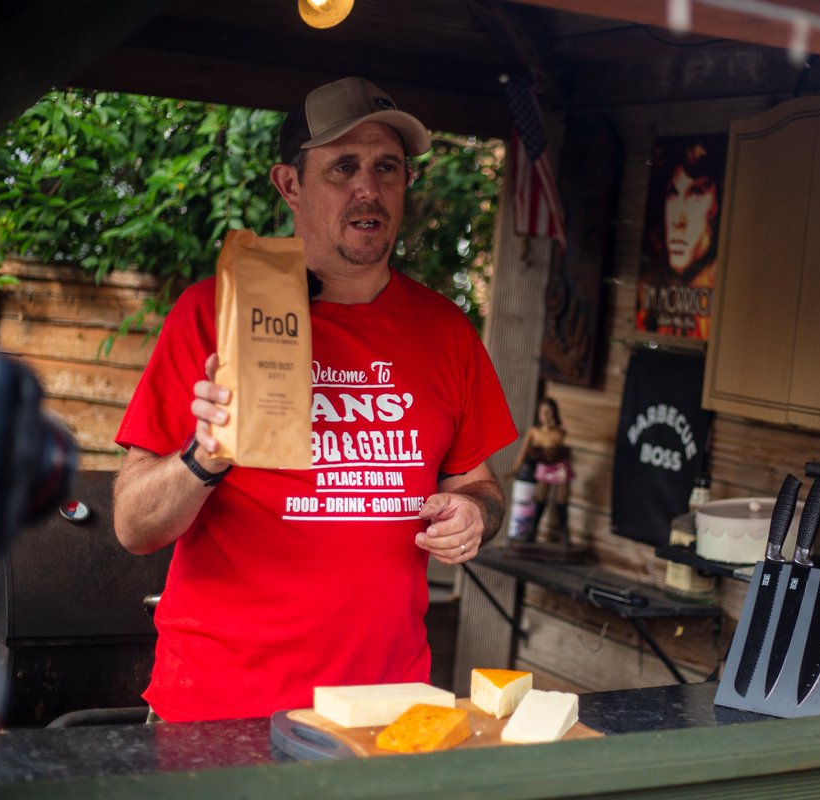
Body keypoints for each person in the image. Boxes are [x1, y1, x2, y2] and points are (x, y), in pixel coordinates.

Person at [111, 76, 517, 722]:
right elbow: (134, 525)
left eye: (388, 167)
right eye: (343, 168)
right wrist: (203, 459)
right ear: (289, 185)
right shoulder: (212, 315)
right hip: (220, 711)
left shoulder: (445, 331)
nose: (369, 189)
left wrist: (475, 515)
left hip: (383, 713)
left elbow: (482, 486)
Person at [636, 136, 726, 340]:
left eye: (696, 195)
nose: (679, 221)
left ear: (717, 207)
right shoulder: (645, 292)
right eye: (673, 194)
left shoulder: (722, 300)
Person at [510, 397, 572, 544]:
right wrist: (515, 469)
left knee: (561, 501)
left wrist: (552, 426)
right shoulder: (534, 432)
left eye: (549, 412)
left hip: (560, 469)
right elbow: (523, 452)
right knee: (540, 499)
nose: (545, 416)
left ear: (554, 414)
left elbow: (558, 438)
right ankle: (532, 531)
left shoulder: (559, 432)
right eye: (542, 412)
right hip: (544, 468)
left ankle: (565, 535)